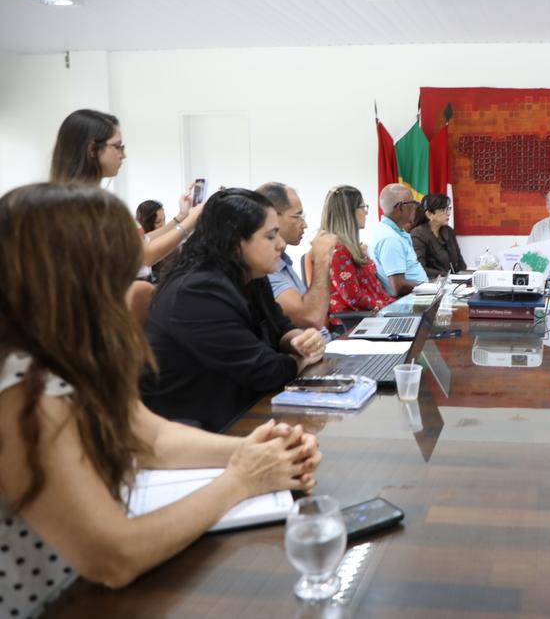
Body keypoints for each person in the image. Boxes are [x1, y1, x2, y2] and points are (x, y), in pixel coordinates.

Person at [0, 184, 320, 616]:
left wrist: (258, 451)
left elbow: (150, 437)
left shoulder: (72, 353)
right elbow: (115, 556)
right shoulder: (21, 389)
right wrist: (242, 479)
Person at [140, 188, 326, 432]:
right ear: (236, 242)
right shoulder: (198, 292)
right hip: (197, 430)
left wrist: (300, 341)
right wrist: (304, 358)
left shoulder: (251, 275)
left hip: (241, 411)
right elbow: (266, 372)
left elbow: (281, 328)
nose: (281, 244)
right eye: (270, 236)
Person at [50, 109, 203, 270]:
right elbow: (144, 254)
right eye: (117, 147)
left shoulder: (64, 201)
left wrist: (182, 217)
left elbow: (138, 242)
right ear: (93, 150)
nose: (123, 155)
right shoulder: (96, 206)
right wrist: (191, 221)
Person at [255, 182, 336, 342]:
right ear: (272, 217)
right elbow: (312, 317)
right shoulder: (264, 268)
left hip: (324, 343)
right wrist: (321, 260)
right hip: (317, 349)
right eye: (298, 216)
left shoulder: (283, 260)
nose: (304, 225)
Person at [320, 185, 395, 322]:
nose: (366, 212)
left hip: (375, 315)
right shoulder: (338, 252)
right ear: (348, 212)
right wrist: (390, 308)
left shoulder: (351, 248)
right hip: (357, 323)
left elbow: (373, 290)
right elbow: (355, 299)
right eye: (363, 207)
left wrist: (396, 306)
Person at [370, 183, 428, 297]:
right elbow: (399, 286)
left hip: (418, 295)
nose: (416, 207)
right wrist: (431, 288)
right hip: (408, 301)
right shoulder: (390, 239)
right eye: (413, 203)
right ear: (401, 207)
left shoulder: (393, 232)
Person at [410, 193, 467, 279]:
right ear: (429, 214)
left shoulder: (448, 231)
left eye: (448, 209)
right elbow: (420, 268)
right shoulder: (418, 234)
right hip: (431, 283)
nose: (448, 213)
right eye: (443, 210)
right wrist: (448, 276)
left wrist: (463, 277)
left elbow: (460, 263)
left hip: (453, 282)